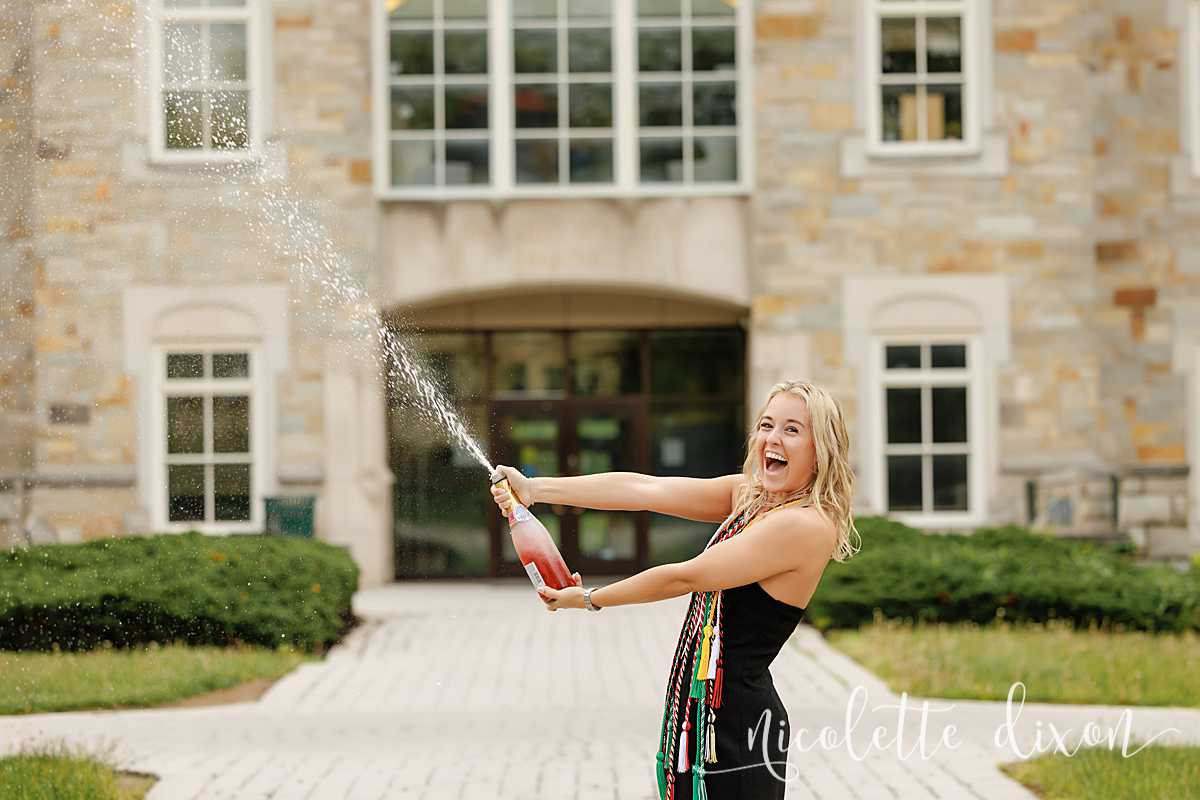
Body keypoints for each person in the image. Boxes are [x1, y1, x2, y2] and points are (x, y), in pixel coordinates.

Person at [490, 380, 860, 800]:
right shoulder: (753, 497)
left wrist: (590, 598)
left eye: (793, 430)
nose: (772, 438)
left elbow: (684, 576)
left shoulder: (804, 525)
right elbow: (645, 489)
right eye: (767, 425)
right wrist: (536, 489)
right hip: (699, 717)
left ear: (821, 448)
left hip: (737, 731)